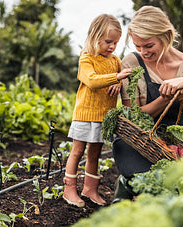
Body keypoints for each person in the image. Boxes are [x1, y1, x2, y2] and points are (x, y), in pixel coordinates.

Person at [112, 5, 183, 203]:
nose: (143, 52)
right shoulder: (132, 63)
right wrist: (165, 99)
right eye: (138, 46)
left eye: (149, 45)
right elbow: (133, 118)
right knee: (152, 183)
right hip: (135, 142)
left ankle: (129, 186)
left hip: (170, 145)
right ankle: (127, 184)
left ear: (166, 36)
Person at [63, 14, 132, 207]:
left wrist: (118, 83)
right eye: (108, 41)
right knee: (77, 151)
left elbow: (119, 81)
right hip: (85, 115)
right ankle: (69, 190)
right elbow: (92, 81)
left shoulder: (115, 60)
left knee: (95, 154)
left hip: (104, 116)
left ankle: (90, 189)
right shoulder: (87, 59)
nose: (111, 46)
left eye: (115, 43)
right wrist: (116, 77)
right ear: (95, 37)